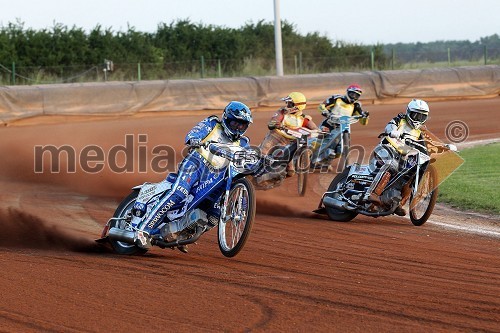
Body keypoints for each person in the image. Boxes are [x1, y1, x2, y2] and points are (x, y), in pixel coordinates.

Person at [150, 101, 253, 252]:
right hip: (197, 165)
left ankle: (183, 234)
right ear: (226, 118)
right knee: (179, 193)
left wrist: (262, 162)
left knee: (214, 216)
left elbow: (247, 161)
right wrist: (195, 139)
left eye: (242, 125)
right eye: (234, 123)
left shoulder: (243, 142)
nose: (238, 128)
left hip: (217, 177)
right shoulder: (212, 124)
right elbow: (192, 134)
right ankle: (144, 228)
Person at [366, 98, 430, 216]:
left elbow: (425, 147)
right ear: (408, 112)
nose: (418, 119)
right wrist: (393, 131)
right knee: (391, 165)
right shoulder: (400, 119)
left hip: (403, 156)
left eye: (421, 117)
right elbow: (389, 126)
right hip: (386, 148)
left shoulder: (420, 132)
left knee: (411, 175)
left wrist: (443, 147)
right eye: (415, 115)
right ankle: (373, 194)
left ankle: (399, 203)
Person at [259, 92, 318, 177]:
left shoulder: (304, 118)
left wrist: (320, 131)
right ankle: (255, 168)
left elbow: (314, 128)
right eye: (287, 103)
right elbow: (272, 122)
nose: (287, 105)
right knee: (263, 152)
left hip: (292, 141)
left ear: (297, 106)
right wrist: (274, 123)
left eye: (290, 104)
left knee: (291, 171)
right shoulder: (282, 112)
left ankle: (291, 165)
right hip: (276, 136)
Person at [313, 84, 369, 164]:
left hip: (343, 127)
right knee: (318, 141)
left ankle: (325, 160)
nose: (354, 97)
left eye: (357, 96)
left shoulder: (356, 105)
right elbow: (321, 106)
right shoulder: (336, 98)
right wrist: (325, 112)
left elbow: (363, 122)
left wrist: (365, 116)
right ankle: (309, 155)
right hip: (329, 124)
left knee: (339, 150)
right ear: (347, 92)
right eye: (352, 94)